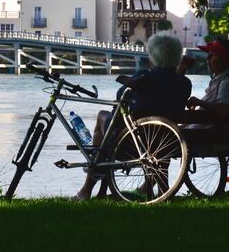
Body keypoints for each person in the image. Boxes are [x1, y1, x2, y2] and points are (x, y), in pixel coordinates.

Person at [75, 34, 191, 200]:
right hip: (167, 141)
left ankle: (87, 188)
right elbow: (171, 86)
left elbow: (120, 96)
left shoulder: (144, 76)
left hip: (132, 144)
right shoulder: (185, 83)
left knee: (102, 116)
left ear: (153, 56)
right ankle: (162, 191)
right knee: (153, 132)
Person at [182, 37, 229, 116]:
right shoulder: (222, 78)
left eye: (213, 55)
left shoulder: (228, 81)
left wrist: (198, 102)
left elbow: (222, 109)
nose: (207, 58)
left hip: (211, 127)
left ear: (225, 60)